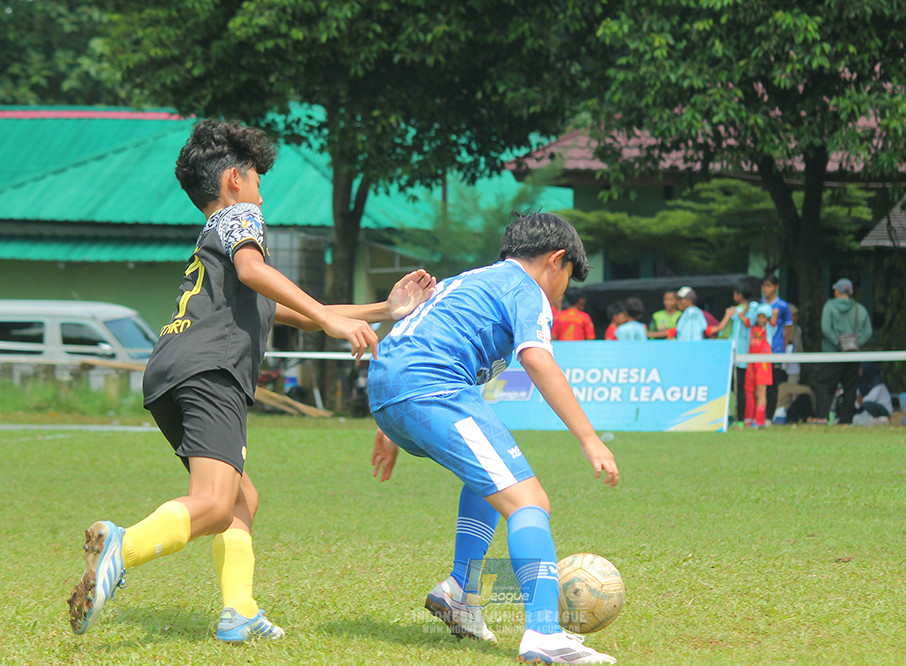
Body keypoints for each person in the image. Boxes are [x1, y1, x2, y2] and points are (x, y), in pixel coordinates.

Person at [66, 119, 436, 642]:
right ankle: (119, 550)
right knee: (215, 504)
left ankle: (239, 611)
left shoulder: (209, 244)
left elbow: (302, 312)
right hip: (210, 369)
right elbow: (255, 271)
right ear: (235, 179)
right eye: (259, 181)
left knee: (241, 499)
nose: (262, 195)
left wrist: (386, 308)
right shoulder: (241, 219)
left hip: (171, 371)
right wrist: (333, 321)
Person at [367, 212, 619, 664]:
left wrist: (386, 424)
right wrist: (590, 438)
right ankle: (544, 634)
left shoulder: (468, 282)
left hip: (392, 387)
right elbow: (538, 360)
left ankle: (461, 591)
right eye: (567, 281)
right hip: (431, 388)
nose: (561, 295)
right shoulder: (527, 290)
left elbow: (413, 336)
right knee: (529, 502)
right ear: (556, 261)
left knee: (490, 478)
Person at [813, 278, 873, 425]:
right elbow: (868, 332)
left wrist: (838, 344)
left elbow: (826, 328)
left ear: (837, 291)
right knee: (850, 388)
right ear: (851, 292)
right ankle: (846, 421)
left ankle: (822, 417)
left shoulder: (829, 306)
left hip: (832, 355)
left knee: (825, 385)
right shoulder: (860, 308)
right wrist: (855, 344)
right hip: (853, 355)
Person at [760, 273, 793, 419]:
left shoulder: (782, 306)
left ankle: (769, 416)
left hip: (775, 349)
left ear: (776, 287)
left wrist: (784, 348)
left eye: (769, 286)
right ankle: (758, 415)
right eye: (764, 286)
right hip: (759, 350)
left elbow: (788, 328)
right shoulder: (759, 304)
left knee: (772, 384)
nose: (766, 290)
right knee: (759, 384)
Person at [726, 279, 758, 426]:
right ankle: (736, 416)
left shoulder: (752, 309)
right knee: (735, 387)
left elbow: (750, 323)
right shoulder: (736, 310)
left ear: (739, 294)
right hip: (734, 354)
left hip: (745, 354)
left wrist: (740, 315)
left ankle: (742, 419)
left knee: (742, 388)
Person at [740, 303, 774, 428]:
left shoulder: (769, 328)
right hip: (751, 362)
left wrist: (773, 313)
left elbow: (774, 319)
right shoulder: (751, 327)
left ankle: (760, 420)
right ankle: (750, 418)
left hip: (763, 363)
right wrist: (749, 309)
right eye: (759, 317)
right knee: (751, 392)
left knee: (761, 391)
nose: (761, 320)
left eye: (763, 317)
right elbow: (741, 316)